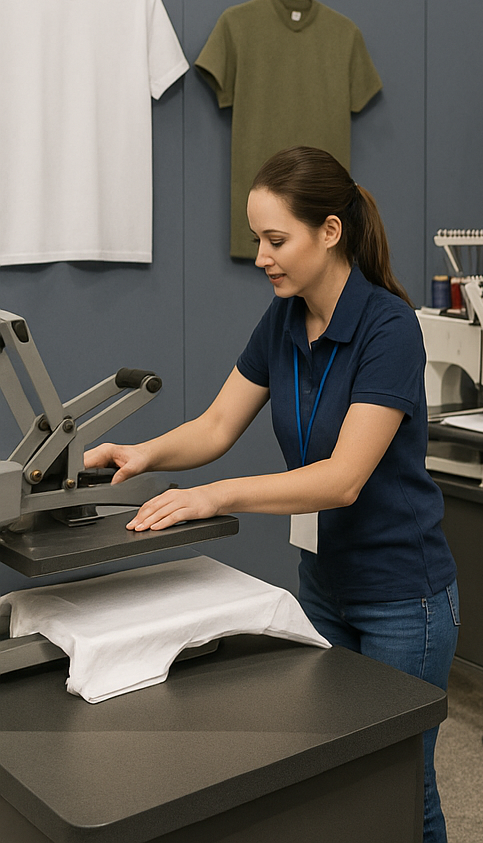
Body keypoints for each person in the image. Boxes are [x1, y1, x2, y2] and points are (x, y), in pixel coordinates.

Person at [87, 146, 460, 843]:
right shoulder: (285, 319)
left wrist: (214, 497)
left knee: (403, 784)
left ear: (330, 231)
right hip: (323, 585)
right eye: (258, 238)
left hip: (403, 596)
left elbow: (344, 479)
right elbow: (218, 423)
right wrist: (144, 454)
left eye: (275, 239)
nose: (261, 256)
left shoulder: (389, 328)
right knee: (330, 778)